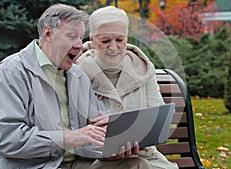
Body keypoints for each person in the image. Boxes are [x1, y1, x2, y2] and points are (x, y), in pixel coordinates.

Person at [0, 4, 151, 169]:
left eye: (80, 37)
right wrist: (68, 138)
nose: (79, 45)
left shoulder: (76, 75)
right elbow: (8, 140)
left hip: (73, 163)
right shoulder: (12, 72)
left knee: (137, 165)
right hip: (34, 165)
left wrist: (110, 149)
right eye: (72, 36)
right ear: (48, 34)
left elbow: (91, 133)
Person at [76, 6, 179, 169]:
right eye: (105, 41)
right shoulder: (77, 73)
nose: (113, 47)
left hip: (146, 156)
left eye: (119, 40)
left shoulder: (143, 68)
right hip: (95, 161)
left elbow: (158, 116)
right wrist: (106, 149)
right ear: (93, 40)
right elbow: (73, 135)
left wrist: (134, 134)